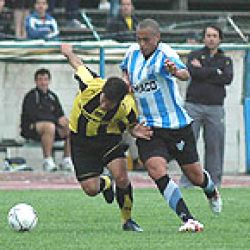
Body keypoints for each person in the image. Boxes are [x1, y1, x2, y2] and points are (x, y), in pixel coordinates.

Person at [120, 18, 223, 232]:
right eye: (139, 39)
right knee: (155, 169)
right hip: (149, 127)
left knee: (195, 175)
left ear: (157, 38)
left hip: (176, 126)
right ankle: (188, 218)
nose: (142, 44)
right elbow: (125, 71)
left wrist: (176, 72)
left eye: (146, 40)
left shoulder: (165, 53)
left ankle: (211, 190)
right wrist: (126, 81)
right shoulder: (131, 54)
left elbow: (184, 74)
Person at [60, 43, 152, 232]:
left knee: (122, 177)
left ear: (119, 101)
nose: (103, 105)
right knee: (91, 190)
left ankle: (127, 220)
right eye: (103, 99)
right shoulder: (91, 84)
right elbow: (78, 64)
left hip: (107, 139)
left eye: (109, 104)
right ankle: (106, 182)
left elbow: (132, 127)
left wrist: (135, 131)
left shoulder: (127, 107)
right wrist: (68, 52)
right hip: (80, 140)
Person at [179, 25, 233, 187]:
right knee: (189, 145)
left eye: (214, 36)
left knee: (215, 146)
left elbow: (227, 79)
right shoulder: (194, 55)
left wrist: (204, 70)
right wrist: (215, 72)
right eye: (208, 35)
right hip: (193, 105)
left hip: (215, 108)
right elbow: (193, 73)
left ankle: (214, 182)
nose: (211, 38)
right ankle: (187, 181)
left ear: (220, 39)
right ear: (204, 38)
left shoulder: (226, 59)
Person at [20, 68, 73, 172]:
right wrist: (56, 121)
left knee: (71, 127)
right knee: (49, 126)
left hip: (52, 128)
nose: (43, 82)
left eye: (45, 79)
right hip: (31, 128)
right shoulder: (31, 96)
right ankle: (47, 161)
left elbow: (60, 115)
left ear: (49, 81)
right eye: (40, 79)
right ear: (36, 81)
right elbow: (34, 116)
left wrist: (63, 121)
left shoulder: (52, 96)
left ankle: (66, 160)